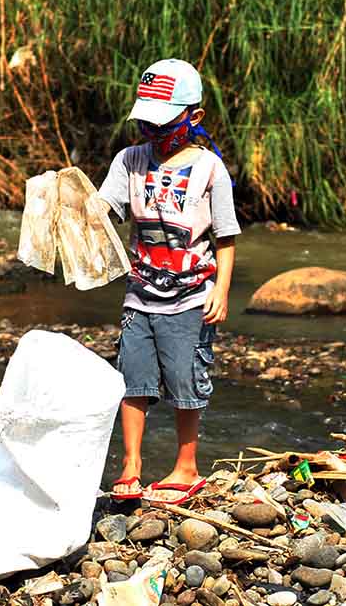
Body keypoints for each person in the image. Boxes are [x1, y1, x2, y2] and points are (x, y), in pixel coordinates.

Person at [97, 58, 240, 505]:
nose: (153, 132)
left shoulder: (210, 169)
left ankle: (186, 466)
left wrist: (222, 291)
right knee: (133, 378)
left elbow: (226, 238)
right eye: (147, 123)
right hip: (140, 292)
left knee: (185, 379)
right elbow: (105, 211)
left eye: (164, 123)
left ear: (194, 117)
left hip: (191, 295)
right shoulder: (130, 160)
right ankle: (131, 464)